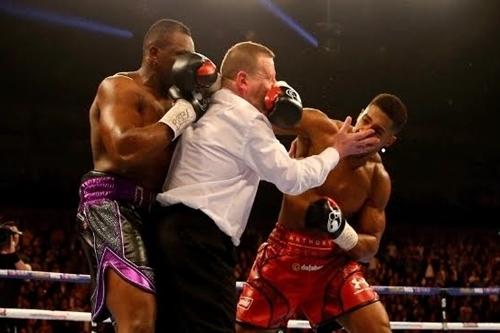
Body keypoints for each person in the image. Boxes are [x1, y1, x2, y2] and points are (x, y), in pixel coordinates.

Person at [153, 41, 380, 333]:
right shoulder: (248, 121)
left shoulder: (210, 104)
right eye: (269, 77)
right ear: (243, 80)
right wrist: (337, 149)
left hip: (169, 230)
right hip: (201, 240)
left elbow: (236, 167)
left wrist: (285, 157)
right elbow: (293, 179)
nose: (277, 85)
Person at [75, 18, 218, 333]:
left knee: (169, 319)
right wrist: (181, 117)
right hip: (111, 202)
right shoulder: (120, 87)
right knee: (138, 320)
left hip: (158, 211)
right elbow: (123, 148)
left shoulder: (179, 100)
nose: (188, 62)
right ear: (154, 53)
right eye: (180, 54)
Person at [236, 93, 408, 333]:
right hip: (286, 254)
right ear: (359, 114)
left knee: (378, 329)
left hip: (332, 265)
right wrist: (274, 98)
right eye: (365, 119)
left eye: (377, 131)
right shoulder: (319, 128)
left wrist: (340, 230)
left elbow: (371, 247)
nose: (365, 130)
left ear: (389, 141)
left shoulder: (377, 179)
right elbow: (257, 121)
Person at [0, 221, 32, 333]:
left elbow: (27, 276)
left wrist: (12, 253)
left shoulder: (21, 258)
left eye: (14, 234)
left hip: (11, 312)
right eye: (8, 234)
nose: (12, 237)